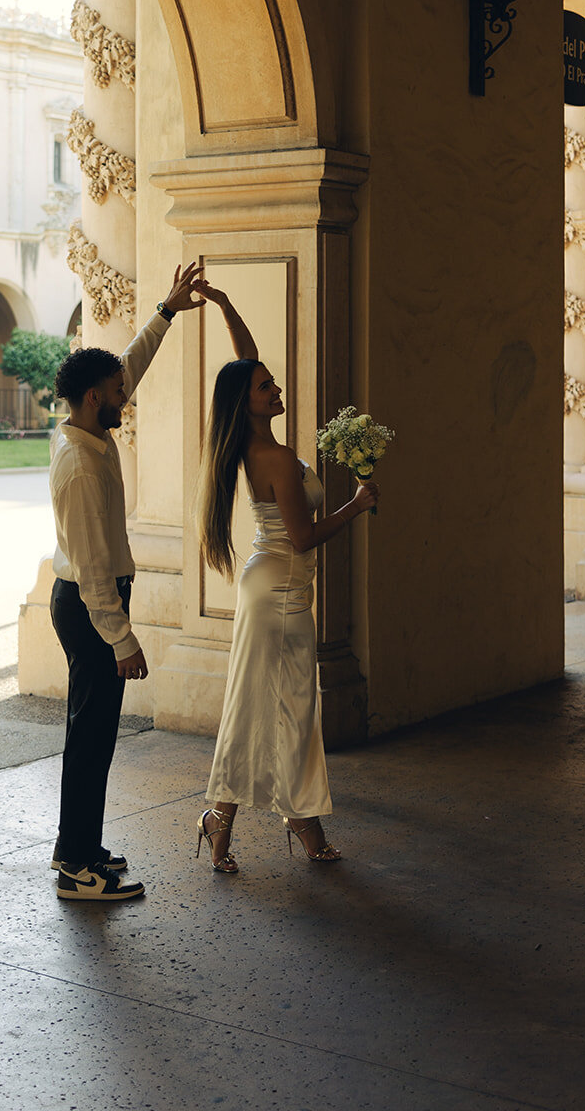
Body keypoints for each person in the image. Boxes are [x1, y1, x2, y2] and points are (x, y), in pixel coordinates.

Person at [194, 283, 378, 872]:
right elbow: (303, 537)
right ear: (247, 403)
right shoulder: (270, 458)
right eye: (266, 387)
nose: (276, 390)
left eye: (272, 381)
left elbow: (245, 362)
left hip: (280, 588)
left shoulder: (257, 442)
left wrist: (226, 305)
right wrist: (355, 505)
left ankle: (270, 819)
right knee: (275, 708)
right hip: (278, 591)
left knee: (279, 707)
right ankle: (284, 821)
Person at [49, 262, 204, 901]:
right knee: (90, 736)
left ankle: (78, 846)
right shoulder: (80, 466)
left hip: (93, 602)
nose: (125, 395)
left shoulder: (89, 429)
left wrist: (165, 311)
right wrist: (122, 637)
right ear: (95, 398)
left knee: (95, 734)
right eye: (117, 391)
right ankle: (76, 868)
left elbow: (128, 364)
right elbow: (90, 572)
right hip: (91, 607)